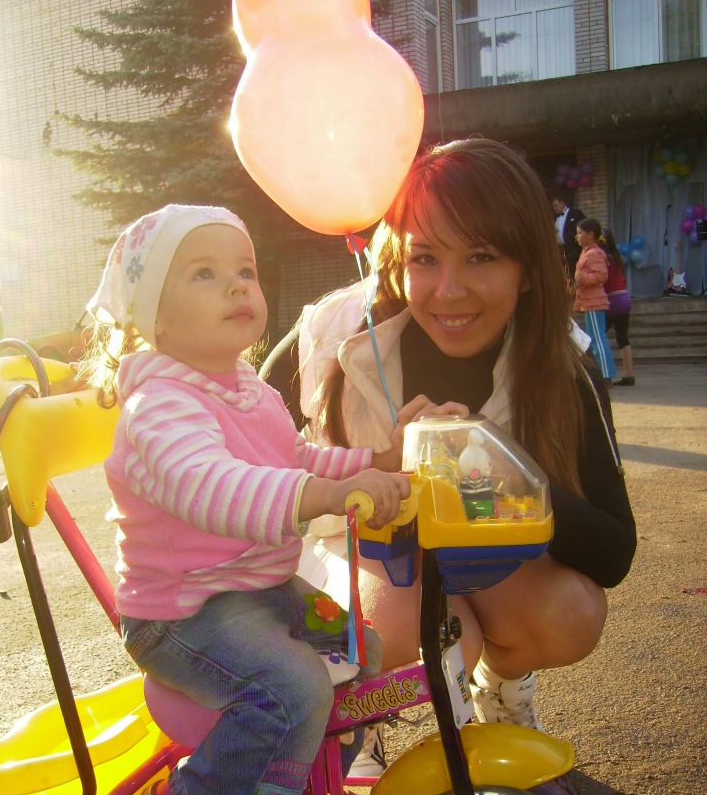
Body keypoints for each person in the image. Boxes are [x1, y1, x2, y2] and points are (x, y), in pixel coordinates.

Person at [83, 203, 438, 795]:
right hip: (185, 613)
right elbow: (213, 489)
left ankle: (295, 782)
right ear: (152, 315)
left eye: (244, 271)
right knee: (296, 687)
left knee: (360, 651)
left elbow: (297, 457)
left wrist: (376, 461)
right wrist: (325, 496)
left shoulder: (247, 389)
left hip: (258, 588)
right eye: (204, 273)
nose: (237, 285)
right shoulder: (159, 406)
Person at [261, 138, 636, 750]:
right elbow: (241, 451)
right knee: (414, 624)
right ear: (397, 259)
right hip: (352, 556)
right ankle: (354, 722)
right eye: (425, 258)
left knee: (569, 614)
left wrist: (495, 465)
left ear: (529, 270)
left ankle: (501, 686)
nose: (448, 290)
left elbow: (613, 551)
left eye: (482, 257)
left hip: (485, 566)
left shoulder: (563, 369)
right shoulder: (333, 333)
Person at [574, 218, 617, 385]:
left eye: (580, 233)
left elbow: (601, 275)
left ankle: (605, 375)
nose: (577, 236)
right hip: (588, 301)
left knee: (598, 339)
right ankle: (601, 373)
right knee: (594, 339)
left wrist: (581, 279)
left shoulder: (595, 253)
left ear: (590, 234)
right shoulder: (588, 252)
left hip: (594, 302)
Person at [601, 228, 635, 386]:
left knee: (598, 337)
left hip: (612, 299)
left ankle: (605, 373)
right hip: (623, 297)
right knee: (622, 338)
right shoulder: (616, 257)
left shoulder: (601, 257)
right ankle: (629, 374)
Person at [552, 193, 584, 281]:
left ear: (562, 203)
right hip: (561, 250)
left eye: (555, 206)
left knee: (574, 272)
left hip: (573, 250)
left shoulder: (575, 214)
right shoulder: (554, 218)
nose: (554, 208)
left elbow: (583, 227)